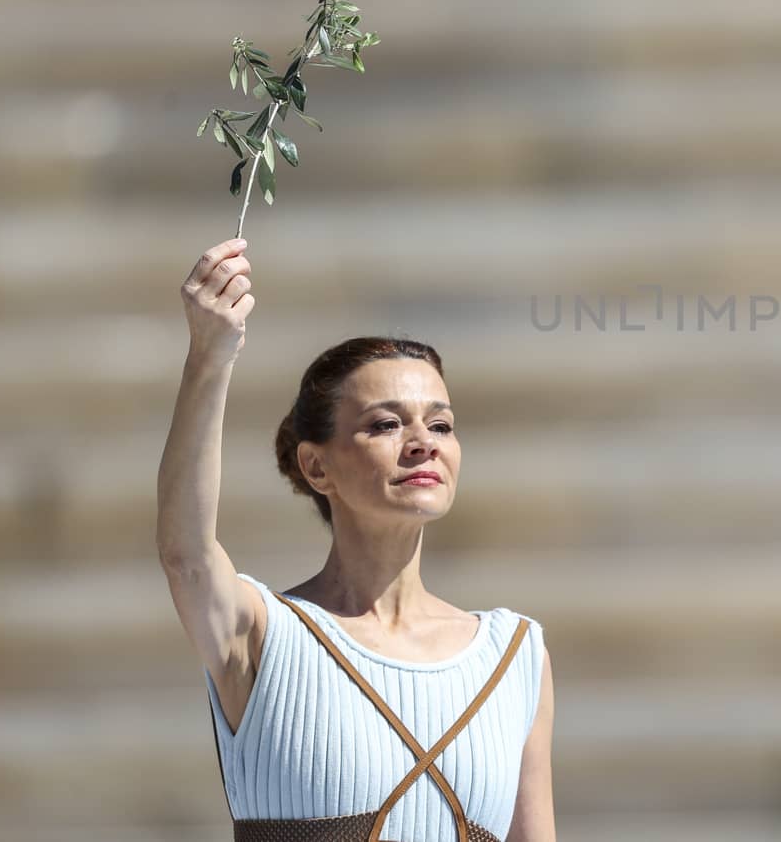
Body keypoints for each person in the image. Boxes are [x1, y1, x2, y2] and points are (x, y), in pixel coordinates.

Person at [156, 237, 556, 842]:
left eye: (441, 424)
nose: (423, 442)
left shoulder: (516, 655)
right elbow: (186, 555)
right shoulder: (262, 634)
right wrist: (210, 356)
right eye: (386, 424)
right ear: (317, 468)